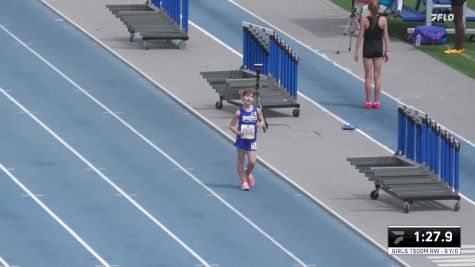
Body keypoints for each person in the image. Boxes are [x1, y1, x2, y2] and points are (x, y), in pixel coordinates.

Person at [354, 0, 390, 109]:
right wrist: (387, 51)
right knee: (377, 76)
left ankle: (369, 102)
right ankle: (377, 102)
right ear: (379, 8)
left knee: (368, 77)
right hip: (378, 50)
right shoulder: (383, 20)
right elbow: (386, 37)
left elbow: (360, 37)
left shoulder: (364, 20)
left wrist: (356, 51)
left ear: (368, 9)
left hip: (368, 50)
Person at [229, 88, 265, 190]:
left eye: (251, 96)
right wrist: (238, 132)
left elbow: (262, 121)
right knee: (241, 160)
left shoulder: (256, 110)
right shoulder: (238, 113)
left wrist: (259, 124)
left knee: (252, 162)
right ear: (242, 97)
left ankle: (247, 173)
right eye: (247, 96)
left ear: (253, 99)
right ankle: (243, 182)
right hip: (241, 140)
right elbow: (231, 126)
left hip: (252, 140)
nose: (248, 98)